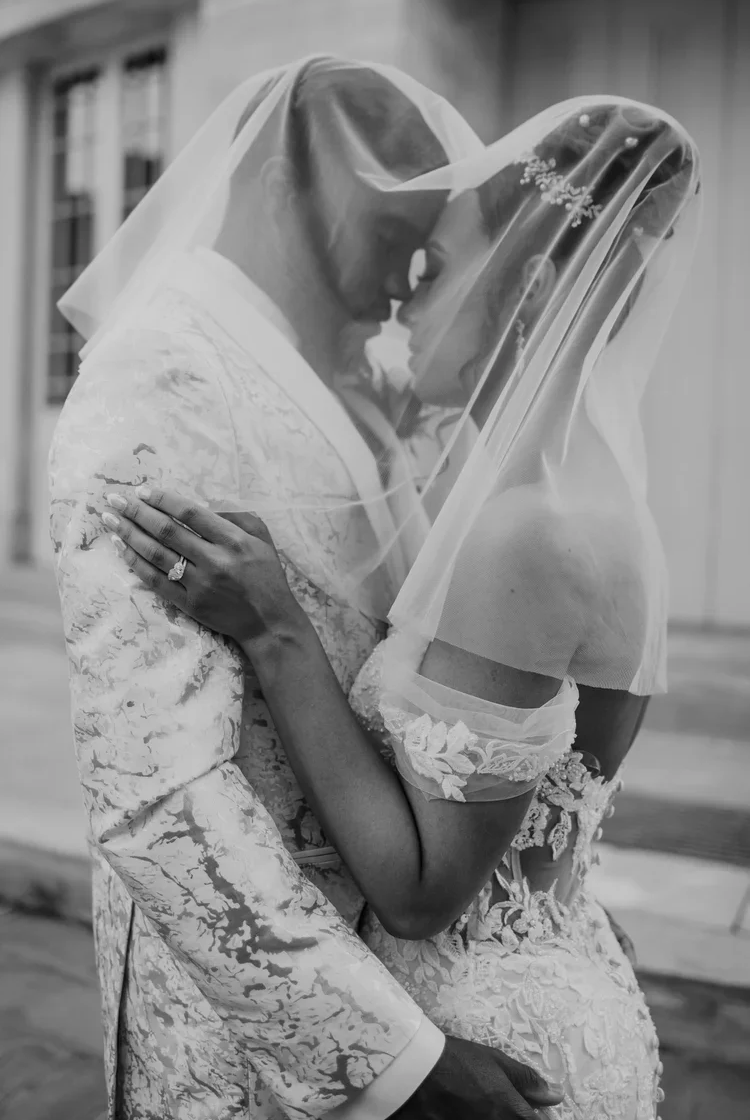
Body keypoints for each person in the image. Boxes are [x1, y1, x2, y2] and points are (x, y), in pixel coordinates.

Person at [103, 98, 701, 1120]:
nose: (400, 312)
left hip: (493, 1038)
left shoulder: (531, 534)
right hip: (548, 965)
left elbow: (421, 893)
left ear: (535, 285)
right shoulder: (532, 482)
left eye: (432, 275)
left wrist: (275, 627)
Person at [49, 56, 564, 1120]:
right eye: (391, 233)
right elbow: (155, 791)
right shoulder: (162, 370)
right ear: (287, 188)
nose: (409, 278)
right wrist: (393, 1066)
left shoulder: (335, 376)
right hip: (248, 1023)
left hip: (396, 941)